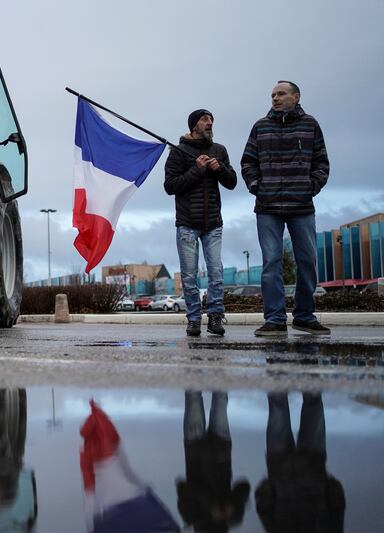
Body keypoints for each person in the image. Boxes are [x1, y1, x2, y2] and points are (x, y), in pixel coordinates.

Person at [241, 81, 330, 336]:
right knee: (271, 262)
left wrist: (311, 186)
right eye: (272, 95)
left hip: (302, 205)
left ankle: (304, 316)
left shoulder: (310, 125)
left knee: (308, 261)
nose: (275, 98)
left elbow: (322, 161)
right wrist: (257, 185)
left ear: (296, 96)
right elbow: (248, 161)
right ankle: (275, 319)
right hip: (268, 207)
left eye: (281, 94)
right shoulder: (261, 126)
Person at [165, 110, 237, 336]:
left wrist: (220, 169)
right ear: (194, 125)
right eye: (205, 120)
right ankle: (194, 319)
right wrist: (197, 169)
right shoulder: (178, 151)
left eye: (211, 120)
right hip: (187, 223)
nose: (210, 123)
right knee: (188, 275)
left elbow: (232, 182)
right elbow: (170, 186)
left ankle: (215, 317)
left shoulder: (219, 150)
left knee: (216, 272)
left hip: (213, 222)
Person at [255, 392, 345, 532]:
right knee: (308, 404)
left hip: (286, 466)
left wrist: (272, 483)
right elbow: (337, 506)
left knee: (280, 405)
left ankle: (280, 373)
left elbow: (263, 506)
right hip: (309, 464)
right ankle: (303, 374)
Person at [176, 391, 250, 532]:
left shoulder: (191, 517)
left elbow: (182, 486)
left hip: (195, 447)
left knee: (193, 397)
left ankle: (194, 369)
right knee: (220, 397)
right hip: (221, 447)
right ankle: (222, 369)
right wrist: (233, 503)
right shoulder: (233, 518)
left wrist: (210, 504)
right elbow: (244, 486)